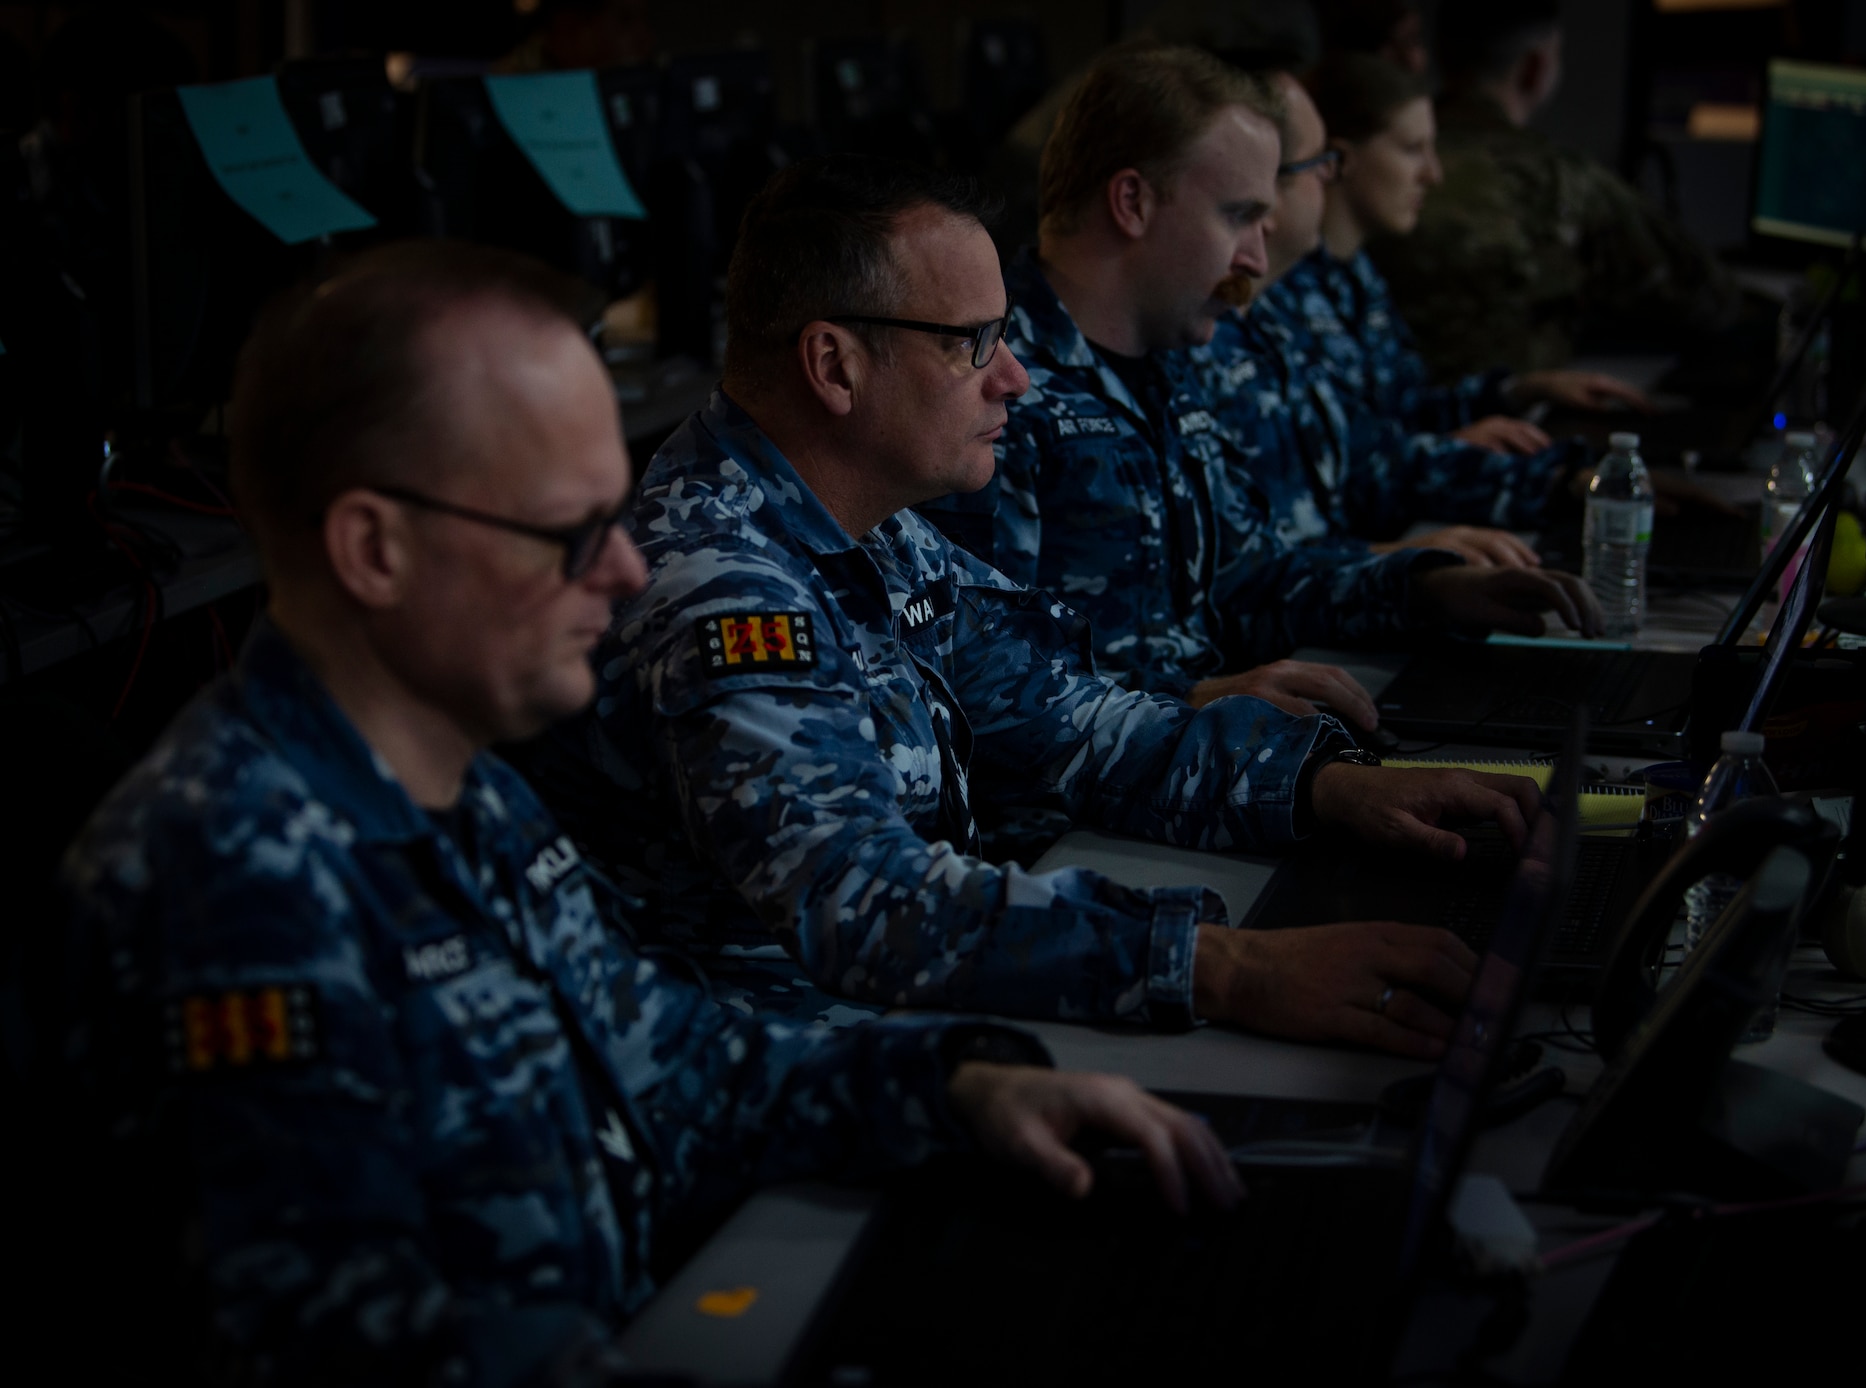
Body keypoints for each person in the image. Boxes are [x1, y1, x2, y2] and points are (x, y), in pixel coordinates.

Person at [54, 241, 1247, 1384]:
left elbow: (683, 1072)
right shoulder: (231, 878)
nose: (626, 568)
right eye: (567, 531)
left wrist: (961, 1092)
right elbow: (371, 1351)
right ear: (375, 547)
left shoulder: (463, 791)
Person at [520, 153, 1540, 1058]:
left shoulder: (867, 521)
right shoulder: (717, 585)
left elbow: (1068, 719)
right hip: (809, 1102)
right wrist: (1230, 968)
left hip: (923, 1038)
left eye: (1004, 334)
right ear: (833, 364)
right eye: (970, 343)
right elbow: (865, 906)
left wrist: (1329, 787)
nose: (1013, 377)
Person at [925, 44, 1602, 718]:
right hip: (1078, 813)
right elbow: (975, 681)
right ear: (1131, 202)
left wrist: (1428, 590)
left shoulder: (1166, 361)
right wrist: (1190, 701)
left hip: (1197, 770)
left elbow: (1244, 581)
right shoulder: (995, 387)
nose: (1255, 255)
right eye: (1239, 216)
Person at [1192, 53, 1643, 569]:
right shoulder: (1219, 323)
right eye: (1411, 149)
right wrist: (1398, 566)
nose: (1433, 173)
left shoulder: (1281, 308)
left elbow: (1367, 458)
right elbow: (1242, 573)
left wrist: (1564, 465)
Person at [1366, 0, 1739, 378]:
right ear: (1535, 68)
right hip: (1516, 419)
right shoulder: (1561, 180)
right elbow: (1708, 298)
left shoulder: (1375, 166)